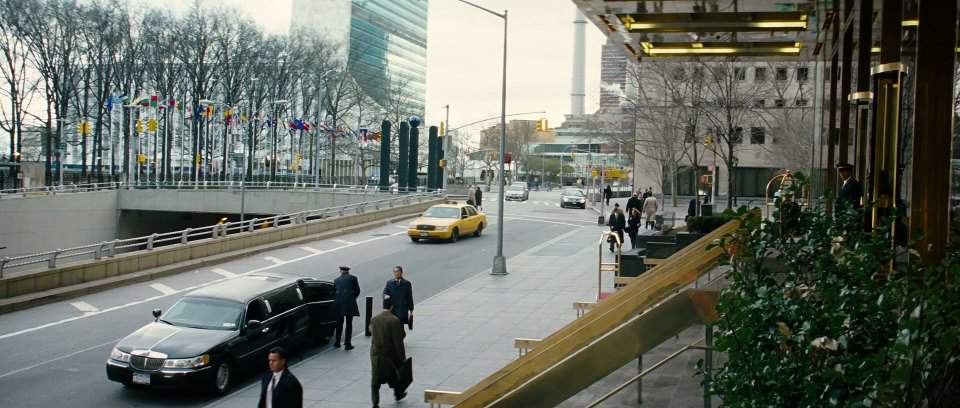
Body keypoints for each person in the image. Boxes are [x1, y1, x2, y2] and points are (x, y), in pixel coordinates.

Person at [370, 297, 408, 407]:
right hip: (389, 355)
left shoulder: (374, 319)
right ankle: (398, 393)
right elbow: (398, 342)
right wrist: (402, 358)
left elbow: (371, 332)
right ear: (392, 307)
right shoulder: (394, 320)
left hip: (376, 354)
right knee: (392, 374)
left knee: (375, 380)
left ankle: (375, 403)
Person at [333, 265, 361, 350]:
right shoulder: (353, 278)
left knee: (339, 323)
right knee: (349, 324)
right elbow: (357, 291)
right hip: (349, 303)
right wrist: (351, 298)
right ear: (348, 271)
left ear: (340, 271)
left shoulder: (336, 280)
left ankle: (337, 342)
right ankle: (347, 344)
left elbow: (334, 293)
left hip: (339, 304)